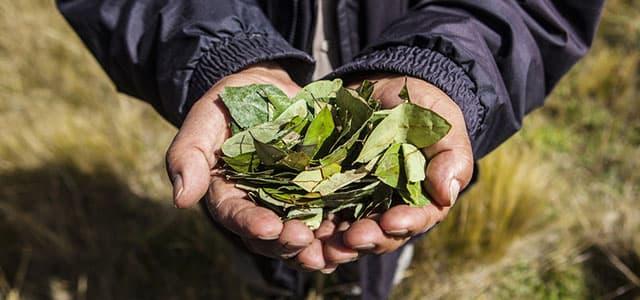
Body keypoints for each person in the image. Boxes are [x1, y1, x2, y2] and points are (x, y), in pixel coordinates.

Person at [57, 0, 604, 298]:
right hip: (263, 170)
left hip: (387, 154)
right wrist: (223, 52)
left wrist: (444, 65)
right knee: (268, 250)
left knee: (377, 249)